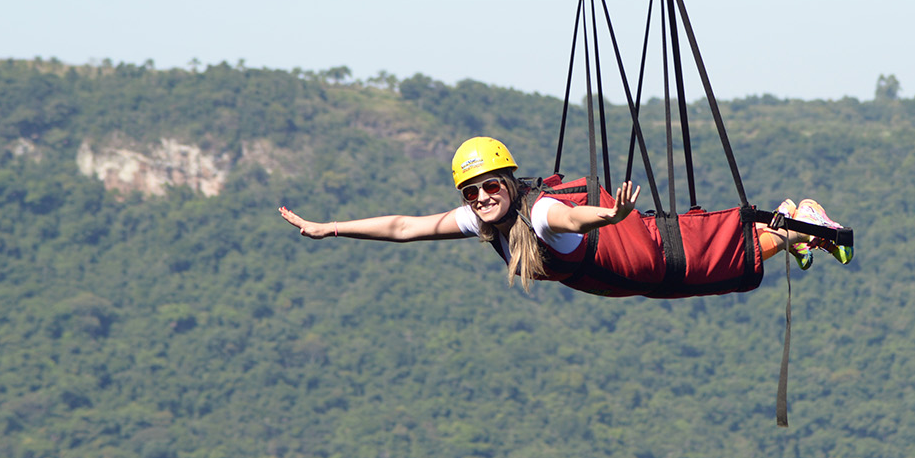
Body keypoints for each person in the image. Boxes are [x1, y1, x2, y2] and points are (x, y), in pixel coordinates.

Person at [278, 136, 851, 298]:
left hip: (648, 254)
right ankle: (793, 227)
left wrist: (611, 214)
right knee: (726, 265)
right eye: (471, 191)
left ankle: (803, 221)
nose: (480, 198)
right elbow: (407, 227)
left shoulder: (539, 212)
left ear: (509, 181)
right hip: (638, 276)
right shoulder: (487, 222)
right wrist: (329, 228)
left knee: (719, 262)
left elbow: (570, 222)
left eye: (489, 186)